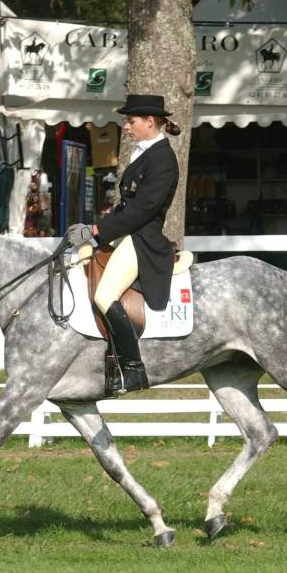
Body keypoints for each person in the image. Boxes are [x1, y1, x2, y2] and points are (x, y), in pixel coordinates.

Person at [66, 94, 181, 395]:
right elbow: (125, 207)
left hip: (143, 238)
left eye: (130, 121)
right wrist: (97, 230)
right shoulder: (143, 153)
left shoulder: (162, 159)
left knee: (104, 295)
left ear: (150, 121)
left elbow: (142, 210)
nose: (126, 127)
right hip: (127, 234)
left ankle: (133, 368)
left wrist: (97, 229)